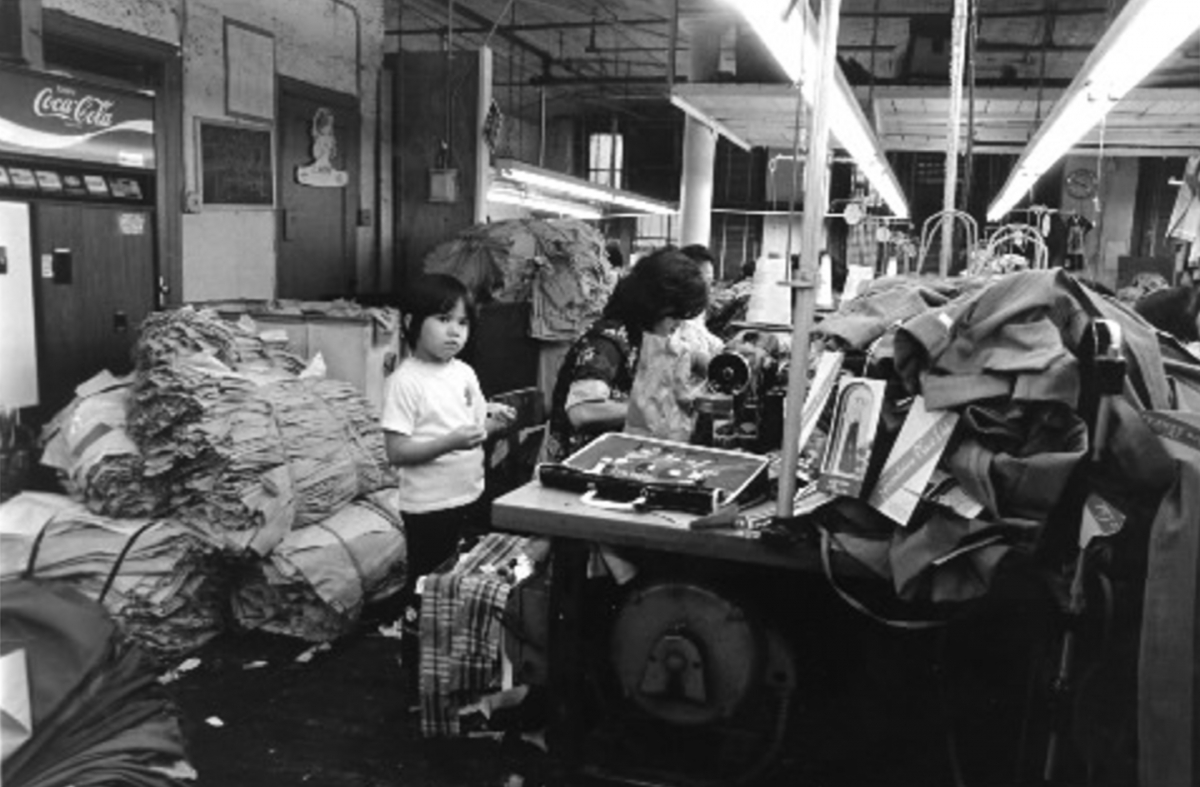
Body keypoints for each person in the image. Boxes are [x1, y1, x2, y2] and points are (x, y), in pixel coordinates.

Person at [382, 273, 514, 583]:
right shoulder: (405, 381)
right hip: (429, 507)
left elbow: (474, 429)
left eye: (463, 322)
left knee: (462, 575)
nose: (454, 331)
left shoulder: (464, 373)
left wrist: (495, 422)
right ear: (411, 321)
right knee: (427, 582)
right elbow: (396, 451)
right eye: (443, 319)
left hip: (470, 492)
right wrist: (450, 442)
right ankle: (415, 630)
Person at [544, 247, 710, 461]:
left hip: (618, 456)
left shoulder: (642, 335)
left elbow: (681, 357)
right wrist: (654, 408)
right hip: (579, 466)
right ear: (654, 305)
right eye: (674, 316)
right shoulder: (606, 343)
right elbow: (582, 412)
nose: (678, 324)